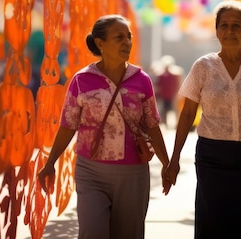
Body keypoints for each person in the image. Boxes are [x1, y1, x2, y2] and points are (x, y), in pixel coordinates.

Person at [37, 14, 171, 239]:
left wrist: (167, 164)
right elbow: (68, 125)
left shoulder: (142, 80)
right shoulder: (82, 80)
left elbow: (152, 125)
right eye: (119, 37)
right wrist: (50, 163)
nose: (127, 42)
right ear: (100, 43)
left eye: (128, 37)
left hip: (133, 174)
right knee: (92, 232)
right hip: (90, 171)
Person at [165, 0, 241, 239]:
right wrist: (174, 159)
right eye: (224, 25)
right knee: (212, 222)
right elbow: (188, 113)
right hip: (212, 156)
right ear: (217, 31)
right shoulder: (203, 66)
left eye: (236, 26)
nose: (230, 31)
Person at [154, 55, 183, 128]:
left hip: (172, 95)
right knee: (164, 111)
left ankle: (176, 124)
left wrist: (178, 94)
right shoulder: (160, 74)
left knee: (174, 110)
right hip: (164, 95)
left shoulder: (175, 74)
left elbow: (178, 84)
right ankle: (165, 124)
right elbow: (158, 85)